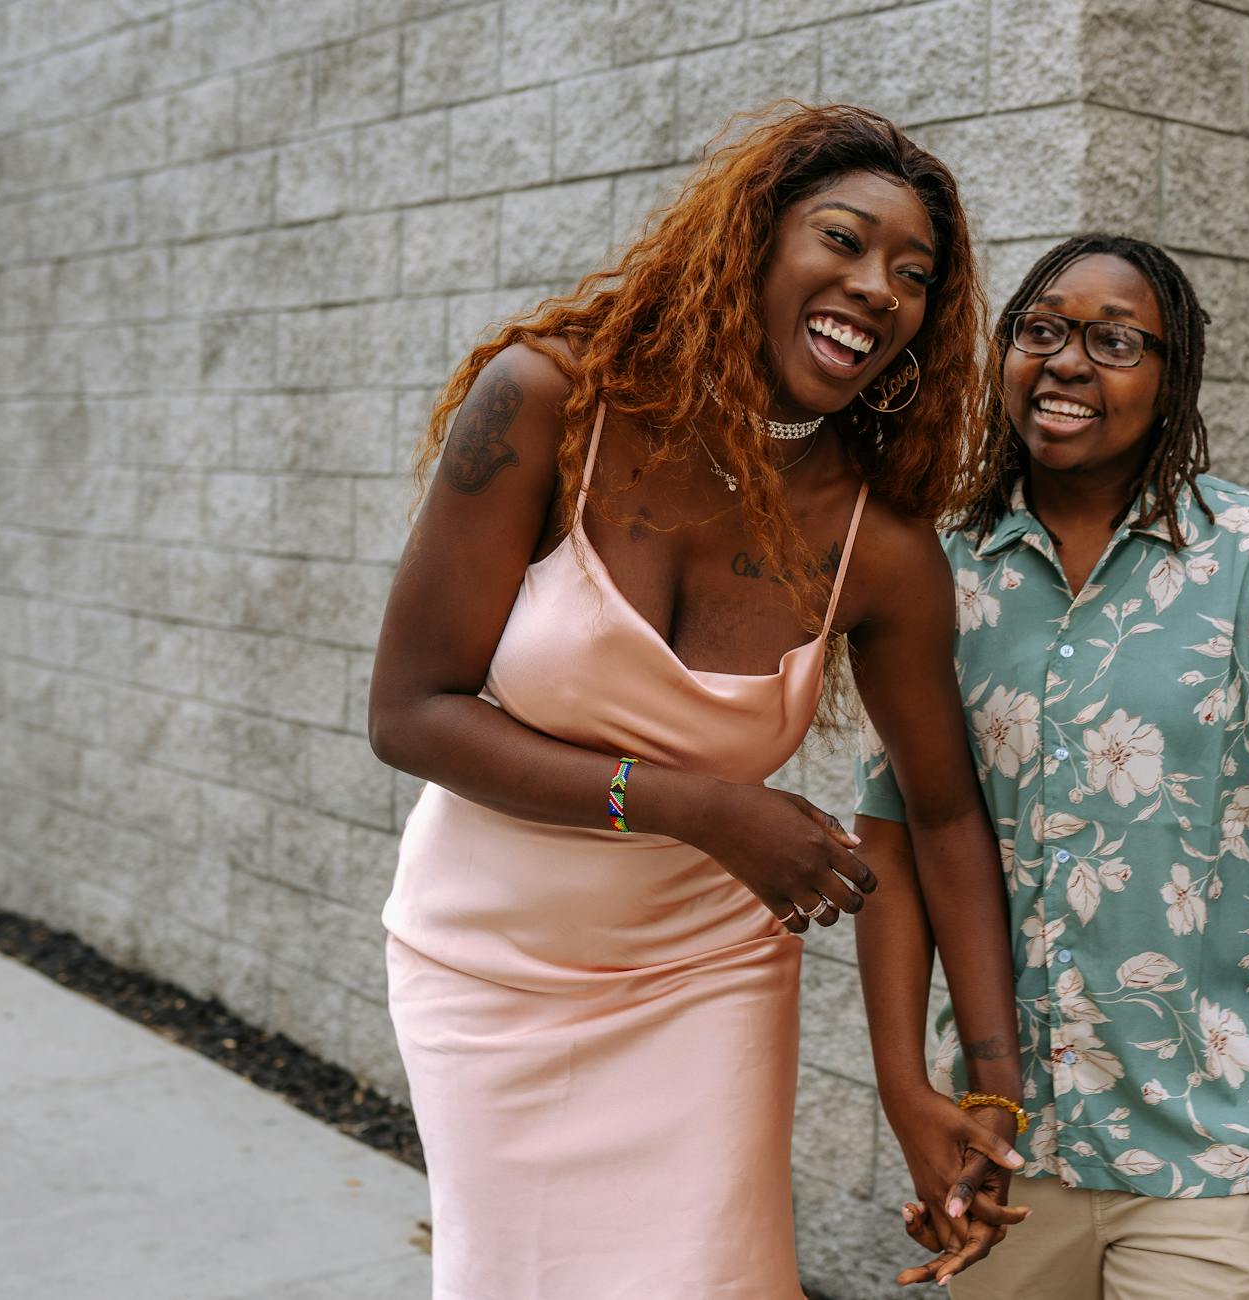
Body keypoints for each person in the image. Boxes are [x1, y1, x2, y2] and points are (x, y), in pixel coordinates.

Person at [368, 104, 1025, 1299]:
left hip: (701, 973)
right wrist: (706, 808)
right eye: (844, 239)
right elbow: (411, 712)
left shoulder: (878, 553)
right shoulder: (549, 403)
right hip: (485, 961)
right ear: (753, 246)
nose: (878, 286)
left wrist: (980, 1084)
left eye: (914, 275)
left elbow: (942, 816)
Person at [853, 234, 1249, 1299]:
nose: (1066, 362)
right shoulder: (937, 571)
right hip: (1008, 1144)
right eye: (1042, 330)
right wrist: (912, 1091)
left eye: (1113, 340)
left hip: (1216, 1146)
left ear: (1172, 376)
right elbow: (897, 835)